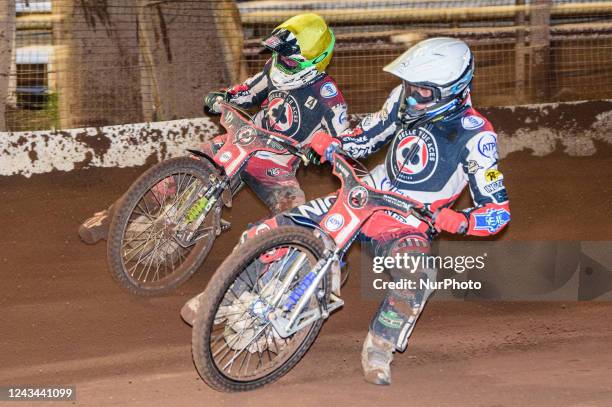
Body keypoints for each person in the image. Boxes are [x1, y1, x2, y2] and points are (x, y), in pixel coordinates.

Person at [230, 37, 511, 385]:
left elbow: (498, 211)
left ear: (451, 90)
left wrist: (462, 220)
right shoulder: (402, 100)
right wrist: (337, 143)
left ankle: (380, 347)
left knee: (418, 278)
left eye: (422, 91)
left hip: (407, 221)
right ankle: (229, 292)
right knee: (276, 228)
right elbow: (369, 135)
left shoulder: (477, 136)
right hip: (360, 196)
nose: (411, 95)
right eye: (410, 86)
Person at [78, 13, 348, 244]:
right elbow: (248, 91)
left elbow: (344, 142)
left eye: (290, 58)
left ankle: (263, 281)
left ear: (316, 59)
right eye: (280, 54)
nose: (282, 61)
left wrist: (321, 152)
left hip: (275, 164)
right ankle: (111, 217)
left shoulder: (329, 99)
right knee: (174, 173)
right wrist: (225, 96)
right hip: (242, 141)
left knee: (292, 217)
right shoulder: (272, 70)